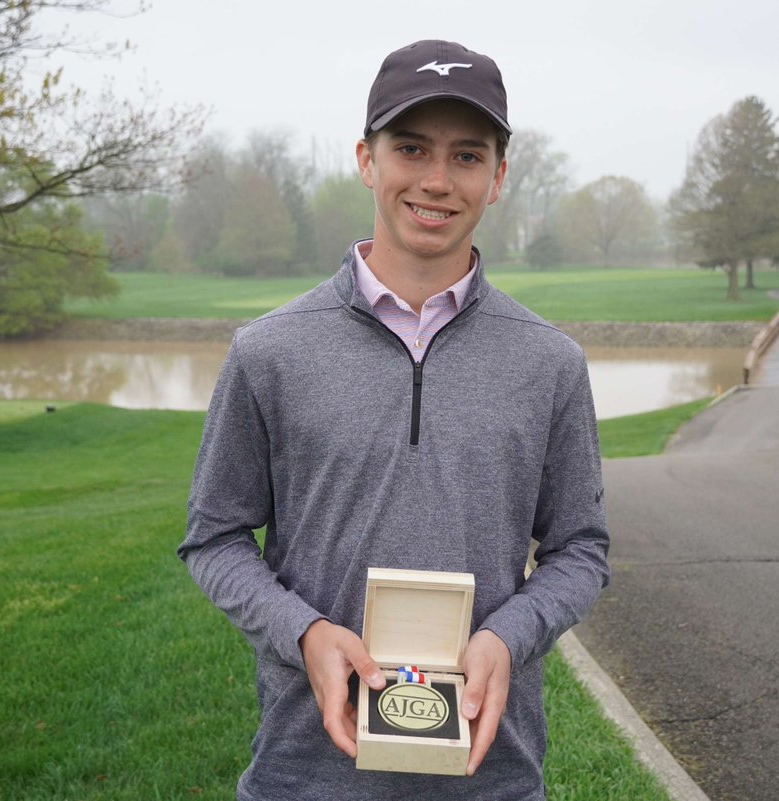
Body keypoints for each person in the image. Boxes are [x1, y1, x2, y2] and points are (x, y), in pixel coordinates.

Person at [178, 39, 610, 801]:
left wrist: (507, 637)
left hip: (490, 777)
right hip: (303, 773)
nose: (437, 181)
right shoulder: (270, 350)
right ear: (366, 159)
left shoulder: (550, 362)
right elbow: (213, 537)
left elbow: (580, 550)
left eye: (467, 156)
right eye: (410, 148)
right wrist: (302, 631)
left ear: (500, 176)